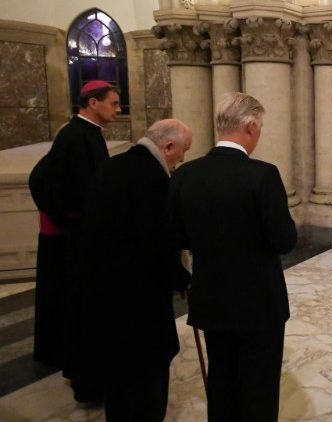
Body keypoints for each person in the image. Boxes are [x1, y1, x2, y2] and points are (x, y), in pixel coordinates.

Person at [169, 92, 297, 421]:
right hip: (258, 301)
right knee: (258, 386)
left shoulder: (186, 174)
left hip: (211, 296)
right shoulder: (262, 174)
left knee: (222, 381)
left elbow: (177, 235)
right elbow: (284, 240)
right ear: (251, 126)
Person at [79, 119, 193, 421]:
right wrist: (181, 279)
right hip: (139, 300)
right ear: (167, 146)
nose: (181, 159)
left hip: (103, 293)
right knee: (148, 377)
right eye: (182, 152)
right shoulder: (153, 179)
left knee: (118, 374)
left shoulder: (111, 166)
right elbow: (158, 242)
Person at [32, 80, 121, 402]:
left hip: (82, 232)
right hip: (78, 237)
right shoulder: (76, 136)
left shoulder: (86, 135)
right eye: (112, 103)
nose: (118, 109)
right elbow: (75, 190)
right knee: (79, 303)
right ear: (92, 103)